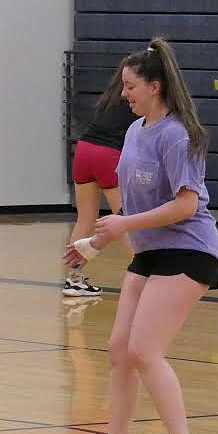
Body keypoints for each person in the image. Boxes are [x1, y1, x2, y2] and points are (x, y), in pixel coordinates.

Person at [64, 37, 218, 434]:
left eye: (131, 86)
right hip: (151, 253)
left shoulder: (178, 134)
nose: (125, 93)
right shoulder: (134, 133)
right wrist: (95, 243)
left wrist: (123, 223)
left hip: (190, 250)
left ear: (154, 86)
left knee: (143, 351)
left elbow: (186, 205)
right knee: (118, 351)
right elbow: (129, 212)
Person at [63, 71, 138, 297]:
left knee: (84, 220)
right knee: (126, 221)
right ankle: (142, 279)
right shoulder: (140, 98)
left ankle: (74, 280)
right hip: (109, 155)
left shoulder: (110, 96)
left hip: (84, 149)